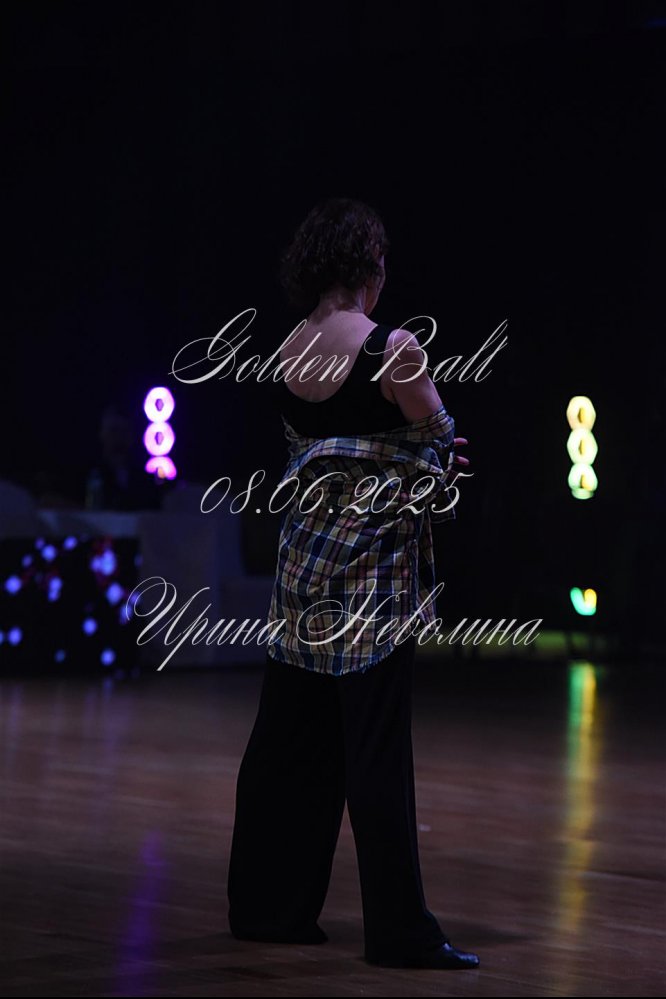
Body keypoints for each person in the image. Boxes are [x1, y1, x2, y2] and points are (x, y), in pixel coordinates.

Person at [227, 197, 480, 969]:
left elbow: (309, 456)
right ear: (370, 266)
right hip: (371, 574)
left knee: (288, 742)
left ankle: (269, 908)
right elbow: (441, 443)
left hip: (303, 568)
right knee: (375, 749)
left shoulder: (287, 350)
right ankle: (399, 931)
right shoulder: (393, 346)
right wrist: (435, 465)